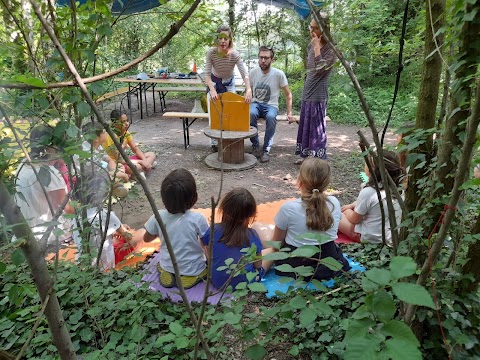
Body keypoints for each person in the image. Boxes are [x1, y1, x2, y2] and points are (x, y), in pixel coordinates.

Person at [270, 158, 351, 280]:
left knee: (261, 230)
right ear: (326, 183)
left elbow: (276, 245)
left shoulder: (288, 208)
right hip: (328, 263)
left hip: (296, 266)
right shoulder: (334, 203)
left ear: (300, 180)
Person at [143, 168, 209, 289]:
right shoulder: (198, 218)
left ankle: (166, 272)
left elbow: (146, 239)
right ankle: (195, 275)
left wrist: (159, 232)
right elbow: (208, 242)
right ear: (195, 198)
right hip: (193, 267)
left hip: (167, 264)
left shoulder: (158, 217)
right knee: (204, 266)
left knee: (165, 264)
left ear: (163, 198)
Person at [14, 123, 75, 245]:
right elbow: (68, 209)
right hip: (51, 234)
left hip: (28, 232)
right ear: (50, 147)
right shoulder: (48, 173)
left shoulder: (23, 165)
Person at [201, 188, 273, 290]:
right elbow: (258, 265)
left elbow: (202, 242)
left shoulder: (213, 229)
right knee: (272, 250)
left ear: (223, 210)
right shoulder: (252, 235)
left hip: (217, 282)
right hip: (245, 283)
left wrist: (210, 258)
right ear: (251, 215)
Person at [73, 173, 142, 270]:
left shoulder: (76, 216)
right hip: (104, 265)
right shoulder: (105, 214)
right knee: (141, 233)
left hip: (84, 264)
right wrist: (120, 230)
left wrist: (114, 228)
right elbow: (128, 237)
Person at [294, 13, 336, 164]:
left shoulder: (332, 49)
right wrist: (315, 46)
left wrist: (317, 48)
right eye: (310, 26)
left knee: (316, 130)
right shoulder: (311, 44)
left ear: (324, 29)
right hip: (308, 92)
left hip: (318, 95)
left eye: (315, 28)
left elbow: (320, 70)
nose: (311, 30)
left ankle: (317, 160)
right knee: (306, 126)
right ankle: (306, 156)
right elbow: (310, 70)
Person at [338, 151, 405, 245]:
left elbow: (354, 219)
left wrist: (347, 211)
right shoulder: (397, 189)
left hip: (370, 237)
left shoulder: (369, 192)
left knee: (334, 215)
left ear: (372, 169)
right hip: (389, 236)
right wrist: (352, 205)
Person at [205, 24, 252, 151]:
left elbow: (244, 74)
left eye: (226, 38)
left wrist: (248, 89)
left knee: (230, 113)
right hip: (214, 83)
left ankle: (230, 141)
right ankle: (214, 144)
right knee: (214, 114)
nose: (223, 41)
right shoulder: (211, 53)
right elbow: (207, 75)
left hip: (229, 84)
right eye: (220, 38)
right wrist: (212, 90)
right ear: (217, 39)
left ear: (230, 39)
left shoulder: (235, 54)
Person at [249, 46, 294, 163]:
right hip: (256, 104)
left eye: (266, 58)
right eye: (261, 57)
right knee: (251, 113)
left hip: (271, 105)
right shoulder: (253, 73)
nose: (263, 60)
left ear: (272, 59)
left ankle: (266, 150)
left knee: (270, 117)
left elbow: (288, 94)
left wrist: (289, 113)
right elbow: (247, 91)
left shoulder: (279, 74)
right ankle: (255, 146)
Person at [103, 110, 156, 180]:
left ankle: (139, 171)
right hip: (118, 164)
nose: (127, 124)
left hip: (127, 160)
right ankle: (141, 169)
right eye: (123, 122)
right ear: (114, 123)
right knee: (137, 166)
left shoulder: (126, 133)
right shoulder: (111, 136)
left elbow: (136, 149)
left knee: (151, 154)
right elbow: (120, 160)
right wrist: (141, 162)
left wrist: (144, 161)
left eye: (127, 120)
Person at [81, 122, 129, 198]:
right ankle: (115, 187)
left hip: (103, 171)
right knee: (105, 178)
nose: (106, 133)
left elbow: (109, 160)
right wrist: (116, 174)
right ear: (96, 138)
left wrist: (115, 171)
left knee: (119, 166)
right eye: (103, 132)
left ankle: (115, 186)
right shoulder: (86, 152)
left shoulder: (97, 145)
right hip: (90, 180)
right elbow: (96, 174)